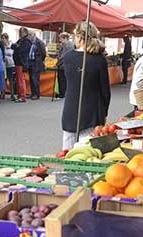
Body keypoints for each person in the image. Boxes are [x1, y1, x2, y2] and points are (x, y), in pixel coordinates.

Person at [61, 22, 110, 150]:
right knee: (88, 155)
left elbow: (69, 82)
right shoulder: (100, 60)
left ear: (79, 37)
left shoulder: (68, 58)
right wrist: (104, 112)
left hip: (71, 109)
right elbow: (105, 91)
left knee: (68, 153)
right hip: (93, 112)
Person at [12, 27, 31, 103]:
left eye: (21, 32)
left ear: (25, 33)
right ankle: (20, 95)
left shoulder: (26, 41)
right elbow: (14, 46)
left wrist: (16, 47)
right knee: (18, 80)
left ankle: (22, 96)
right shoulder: (21, 40)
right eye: (19, 32)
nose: (20, 33)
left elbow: (20, 50)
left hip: (21, 63)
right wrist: (15, 46)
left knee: (20, 80)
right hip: (18, 62)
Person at [28, 32, 46, 100]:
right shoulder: (30, 42)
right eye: (29, 35)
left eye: (31, 35)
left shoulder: (39, 42)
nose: (30, 37)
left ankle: (36, 94)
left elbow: (43, 53)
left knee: (35, 79)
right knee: (31, 79)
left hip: (36, 63)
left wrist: (40, 60)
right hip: (31, 62)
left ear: (34, 35)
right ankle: (33, 93)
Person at [56, 32, 74, 98]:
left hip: (65, 66)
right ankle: (62, 93)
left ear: (65, 38)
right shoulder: (64, 45)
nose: (60, 40)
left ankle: (63, 94)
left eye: (60, 38)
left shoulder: (69, 45)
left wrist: (57, 63)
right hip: (62, 66)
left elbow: (64, 56)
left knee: (63, 80)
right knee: (61, 80)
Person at [2, 33, 16, 101]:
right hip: (4, 65)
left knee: (11, 80)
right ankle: (3, 94)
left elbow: (13, 54)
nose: (2, 40)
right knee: (3, 80)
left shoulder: (11, 45)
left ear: (7, 39)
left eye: (3, 38)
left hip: (11, 65)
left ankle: (12, 94)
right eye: (2, 38)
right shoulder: (2, 47)